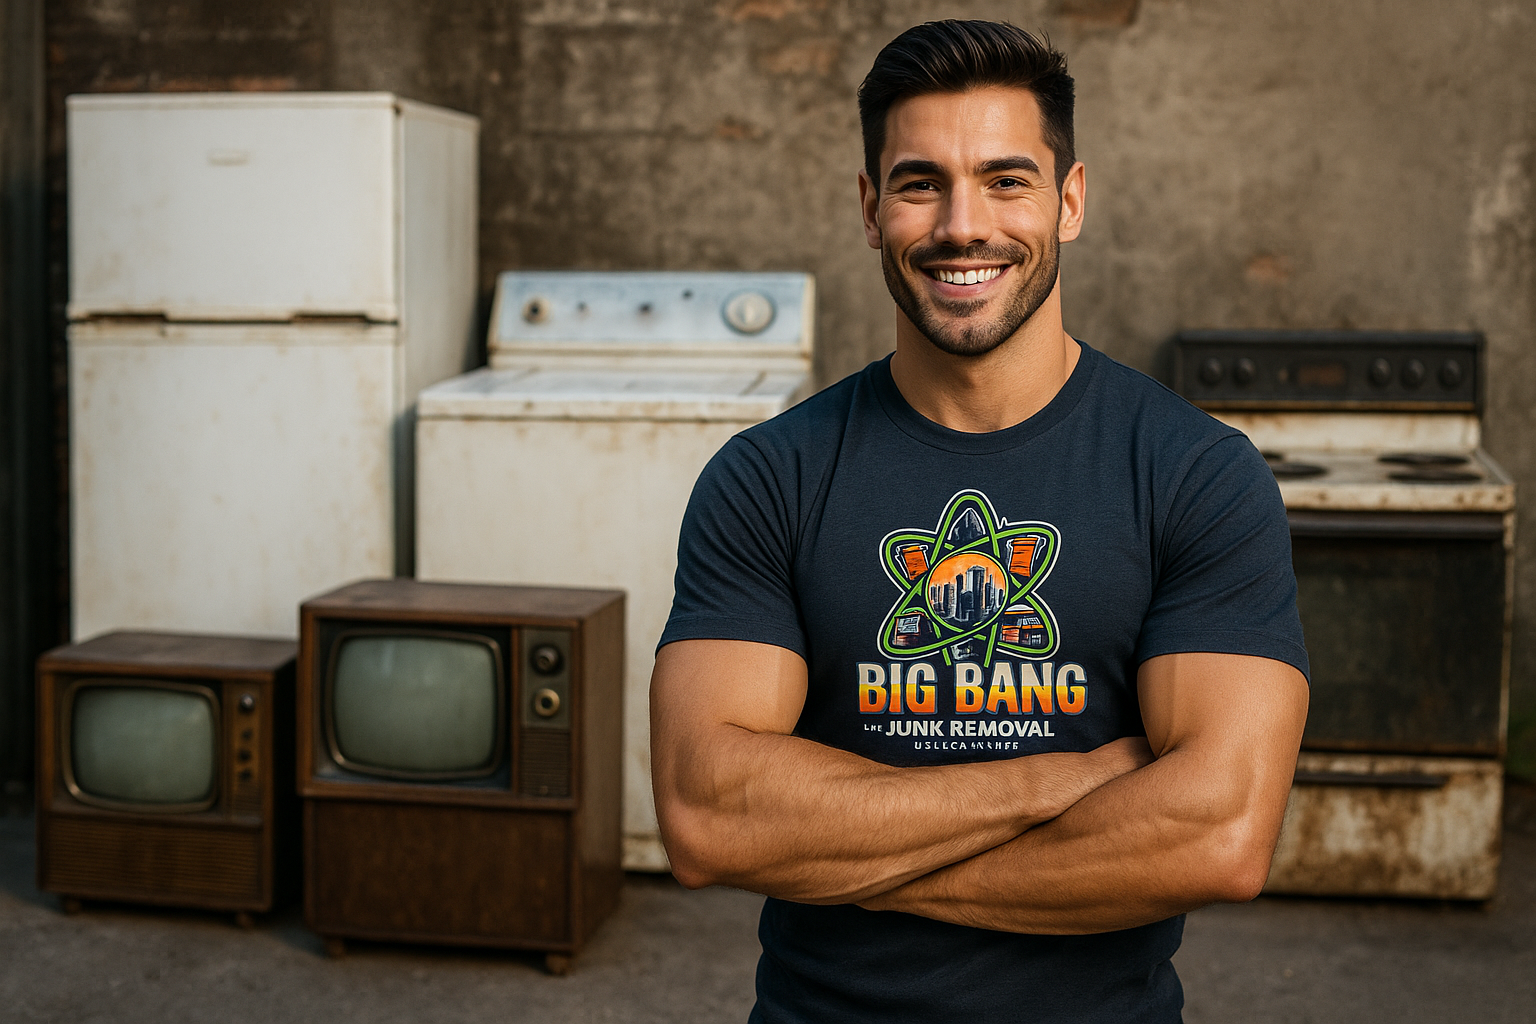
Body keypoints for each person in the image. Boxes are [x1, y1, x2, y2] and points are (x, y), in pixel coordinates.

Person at [650, 19, 1310, 1024]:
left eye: (1007, 180)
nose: (963, 225)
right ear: (872, 210)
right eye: (921, 184)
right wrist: (1057, 780)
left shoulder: (1195, 475)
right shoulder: (769, 477)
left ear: (1070, 200)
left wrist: (848, 856)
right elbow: (708, 814)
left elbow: (1215, 836)